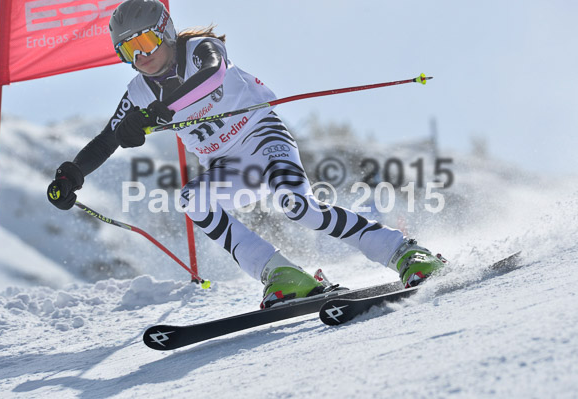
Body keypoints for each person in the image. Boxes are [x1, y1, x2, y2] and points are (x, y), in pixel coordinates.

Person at [47, 0, 445, 308]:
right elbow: (106, 139)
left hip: (262, 137)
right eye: (128, 51)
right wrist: (70, 175)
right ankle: (281, 273)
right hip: (228, 166)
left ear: (164, 32)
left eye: (146, 42)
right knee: (192, 199)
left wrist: (161, 112)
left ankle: (403, 251)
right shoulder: (139, 92)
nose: (142, 56)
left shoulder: (199, 48)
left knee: (297, 207)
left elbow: (213, 75)